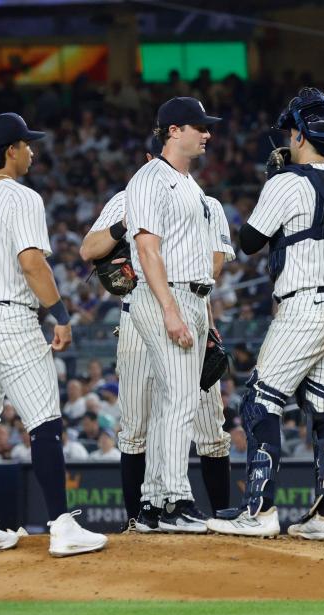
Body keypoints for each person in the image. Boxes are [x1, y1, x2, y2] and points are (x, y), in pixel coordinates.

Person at [207, 88, 324, 541]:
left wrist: (274, 182)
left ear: (297, 134)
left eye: (289, 133)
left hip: (304, 306)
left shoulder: (286, 181)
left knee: (259, 401)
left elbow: (250, 241)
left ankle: (259, 510)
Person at [0, 112, 106, 559]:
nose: (32, 150)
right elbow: (32, 263)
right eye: (27, 144)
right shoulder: (22, 197)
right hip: (9, 317)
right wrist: (60, 314)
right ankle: (62, 526)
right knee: (44, 423)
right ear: (11, 150)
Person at [81, 188, 233, 531]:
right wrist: (124, 226)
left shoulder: (209, 203)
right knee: (136, 427)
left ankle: (223, 520)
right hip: (137, 313)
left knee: (210, 425)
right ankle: (139, 521)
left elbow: (215, 263)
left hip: (192, 308)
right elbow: (90, 249)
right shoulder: (128, 199)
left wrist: (166, 271)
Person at [124, 97, 222, 533]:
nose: (207, 133)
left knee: (172, 401)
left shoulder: (190, 185)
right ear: (173, 131)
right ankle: (175, 499)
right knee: (181, 400)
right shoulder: (149, 178)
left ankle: (154, 501)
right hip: (168, 295)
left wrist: (202, 314)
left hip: (193, 297)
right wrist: (169, 309)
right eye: (199, 126)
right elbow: (147, 248)